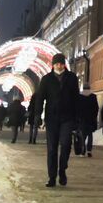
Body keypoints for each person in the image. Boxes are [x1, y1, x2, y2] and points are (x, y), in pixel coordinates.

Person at [32, 53, 81, 187]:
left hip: (67, 117)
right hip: (52, 118)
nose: (59, 66)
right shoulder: (46, 79)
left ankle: (62, 169)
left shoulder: (71, 78)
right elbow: (40, 98)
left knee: (65, 145)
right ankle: (52, 177)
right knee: (52, 148)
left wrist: (77, 119)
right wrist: (37, 115)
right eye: (56, 63)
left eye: (61, 63)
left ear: (64, 64)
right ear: (52, 65)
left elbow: (76, 99)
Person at [80, 90, 100, 156]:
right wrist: (94, 116)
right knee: (90, 135)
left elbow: (77, 108)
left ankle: (83, 150)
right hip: (91, 119)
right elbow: (96, 108)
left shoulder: (80, 97)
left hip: (82, 119)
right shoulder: (93, 97)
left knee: (83, 135)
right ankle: (89, 150)